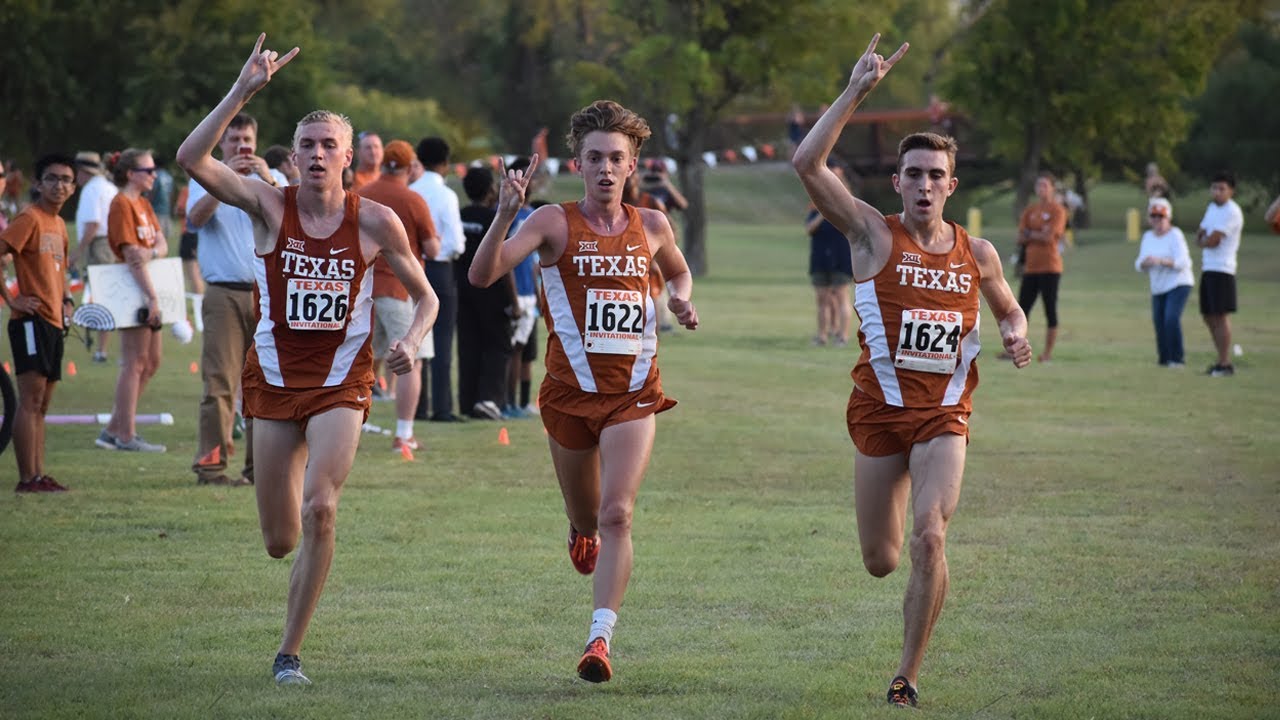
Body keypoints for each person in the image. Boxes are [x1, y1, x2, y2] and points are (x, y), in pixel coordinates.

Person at [176, 34, 438, 686]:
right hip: (271, 383)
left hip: (341, 385)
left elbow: (427, 296)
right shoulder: (269, 204)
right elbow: (190, 158)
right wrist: (243, 91)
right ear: (292, 157)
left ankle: (289, 654)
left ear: (349, 159)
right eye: (308, 145)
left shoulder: (376, 221)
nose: (318, 154)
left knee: (323, 508)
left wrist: (405, 343)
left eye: (330, 146)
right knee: (279, 539)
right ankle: (287, 567)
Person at [792, 34, 1032, 709]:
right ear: (897, 182)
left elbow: (1010, 311)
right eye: (914, 174)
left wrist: (1014, 333)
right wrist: (855, 91)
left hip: (943, 415)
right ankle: (898, 602)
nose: (924, 185)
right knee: (882, 559)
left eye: (936, 175)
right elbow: (807, 163)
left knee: (932, 533)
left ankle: (908, 674)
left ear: (953, 185)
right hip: (878, 412)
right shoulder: (872, 234)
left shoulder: (977, 253)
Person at [468, 99, 700, 683]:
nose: (604, 168)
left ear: (632, 165)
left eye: (615, 159)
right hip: (568, 397)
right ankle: (580, 529)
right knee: (590, 516)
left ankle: (599, 640)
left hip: (634, 396)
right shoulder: (550, 221)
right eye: (594, 157)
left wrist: (679, 295)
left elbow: (677, 268)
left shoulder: (652, 225)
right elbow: (482, 274)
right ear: (577, 164)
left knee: (619, 511)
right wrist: (504, 215)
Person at [187, 112, 279, 486]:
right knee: (220, 384)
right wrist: (222, 176)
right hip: (224, 292)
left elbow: (293, 223)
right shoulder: (204, 173)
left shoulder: (274, 180)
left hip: (267, 294)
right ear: (221, 143)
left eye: (247, 141)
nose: (241, 147)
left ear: (256, 142)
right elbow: (194, 219)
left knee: (265, 384)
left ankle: (262, 469)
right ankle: (211, 467)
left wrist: (268, 179)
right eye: (233, 140)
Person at [355, 139, 440, 451]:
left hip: (364, 290)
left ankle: (352, 425)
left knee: (363, 360)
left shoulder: (362, 194)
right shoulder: (412, 199)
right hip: (400, 290)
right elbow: (433, 248)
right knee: (410, 361)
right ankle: (404, 433)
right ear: (409, 166)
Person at [0, 153, 78, 492]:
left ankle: (39, 474)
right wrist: (11, 298)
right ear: (38, 184)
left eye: (66, 180)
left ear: (73, 187)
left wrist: (67, 301)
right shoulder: (29, 218)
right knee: (29, 400)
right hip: (29, 321)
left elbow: (58, 271)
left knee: (43, 403)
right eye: (52, 178)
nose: (59, 185)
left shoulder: (59, 224)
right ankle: (26, 478)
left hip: (52, 321)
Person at [98, 149, 168, 453]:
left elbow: (161, 243)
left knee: (152, 361)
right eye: (148, 169)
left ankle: (114, 429)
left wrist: (152, 252)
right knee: (134, 362)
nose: (153, 174)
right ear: (130, 174)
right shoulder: (121, 204)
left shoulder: (143, 204)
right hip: (133, 290)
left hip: (149, 286)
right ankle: (126, 435)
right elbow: (130, 256)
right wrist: (152, 298)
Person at [411, 137, 466, 422]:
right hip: (441, 270)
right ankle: (442, 407)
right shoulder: (446, 196)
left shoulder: (410, 191)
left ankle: (416, 405)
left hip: (412, 269)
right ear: (445, 164)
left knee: (416, 338)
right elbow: (457, 243)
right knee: (442, 339)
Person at [455, 166, 515, 420]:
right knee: (497, 346)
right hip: (492, 292)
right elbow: (505, 262)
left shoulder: (460, 215)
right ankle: (489, 400)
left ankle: (467, 402)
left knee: (468, 345)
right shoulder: (495, 219)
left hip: (461, 290)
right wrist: (514, 300)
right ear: (491, 189)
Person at [1012, 173, 1067, 362]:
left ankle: (1047, 353)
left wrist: (1030, 233)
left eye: (1045, 185)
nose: (1041, 188)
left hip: (1050, 268)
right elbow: (1020, 237)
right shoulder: (1031, 210)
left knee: (1050, 310)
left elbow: (1050, 237)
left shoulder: (1058, 211)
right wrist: (1037, 233)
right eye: (1039, 185)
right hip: (1031, 268)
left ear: (1052, 188)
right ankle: (1015, 351)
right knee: (1021, 310)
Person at [1194, 171, 1244, 377]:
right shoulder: (1212, 208)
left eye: (1222, 188)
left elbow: (1213, 240)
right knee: (1208, 315)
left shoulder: (1233, 212)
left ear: (1231, 191)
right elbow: (1200, 235)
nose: (1217, 192)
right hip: (1208, 267)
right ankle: (1220, 359)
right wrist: (1205, 241)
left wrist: (1205, 241)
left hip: (1223, 268)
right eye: (1214, 188)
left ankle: (1225, 363)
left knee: (1221, 315)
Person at [1135, 198, 1194, 367]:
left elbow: (1183, 262)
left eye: (1161, 216)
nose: (1157, 220)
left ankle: (1177, 358)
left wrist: (1161, 261)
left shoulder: (1175, 235)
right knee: (1159, 321)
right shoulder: (1147, 237)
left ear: (1168, 217)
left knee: (1171, 318)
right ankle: (1164, 359)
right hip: (1158, 286)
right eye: (1153, 216)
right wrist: (1146, 263)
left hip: (1178, 283)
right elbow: (1139, 264)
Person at [71, 150, 118, 363]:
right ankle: (103, 348)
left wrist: (78, 251)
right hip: (111, 243)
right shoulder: (109, 186)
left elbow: (93, 224)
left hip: (99, 246)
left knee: (102, 297)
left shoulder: (92, 189)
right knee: (107, 295)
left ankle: (101, 350)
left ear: (83, 172)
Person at [804, 160, 854, 346]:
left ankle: (843, 335)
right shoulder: (816, 205)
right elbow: (809, 229)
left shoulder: (848, 203)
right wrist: (823, 213)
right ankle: (822, 335)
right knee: (822, 298)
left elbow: (852, 228)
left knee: (841, 296)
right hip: (820, 257)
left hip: (841, 256)